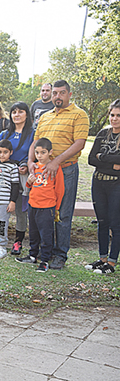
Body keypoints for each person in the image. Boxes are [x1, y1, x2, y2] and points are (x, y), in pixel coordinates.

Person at [29, 79, 89, 269]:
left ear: (69, 94)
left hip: (66, 170)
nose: (57, 96)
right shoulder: (45, 116)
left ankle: (60, 255)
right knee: (42, 213)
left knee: (62, 213)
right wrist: (30, 161)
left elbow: (79, 143)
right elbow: (36, 141)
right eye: (55, 93)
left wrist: (56, 161)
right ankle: (41, 252)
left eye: (62, 93)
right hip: (43, 171)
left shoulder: (79, 115)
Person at [0, 102, 34, 255]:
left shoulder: (32, 134)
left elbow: (34, 155)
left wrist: (27, 167)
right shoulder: (4, 134)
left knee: (21, 209)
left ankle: (18, 241)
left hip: (21, 176)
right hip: (3, 177)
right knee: (2, 208)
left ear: (26, 114)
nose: (17, 115)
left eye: (20, 112)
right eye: (14, 112)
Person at [16, 138, 64, 272]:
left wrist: (57, 208)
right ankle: (32, 255)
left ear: (50, 152)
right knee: (33, 232)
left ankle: (45, 260)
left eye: (43, 152)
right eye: (37, 153)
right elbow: (32, 186)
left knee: (46, 234)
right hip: (33, 204)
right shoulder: (35, 167)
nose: (40, 156)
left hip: (47, 207)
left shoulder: (55, 168)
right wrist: (29, 182)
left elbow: (59, 189)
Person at [85, 99, 120, 274]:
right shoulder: (102, 134)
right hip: (98, 181)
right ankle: (102, 258)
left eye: (118, 116)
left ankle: (112, 263)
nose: (114, 119)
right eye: (112, 115)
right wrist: (111, 162)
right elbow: (91, 159)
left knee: (115, 222)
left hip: (116, 184)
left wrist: (102, 158)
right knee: (102, 221)